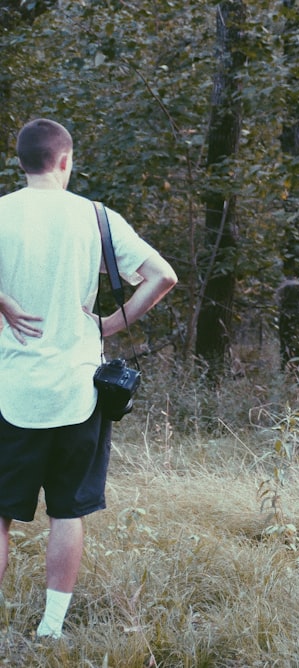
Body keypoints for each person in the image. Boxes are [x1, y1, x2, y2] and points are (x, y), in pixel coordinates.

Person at [0, 118, 177, 640]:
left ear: (22, 162)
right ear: (64, 161)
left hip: (9, 388)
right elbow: (162, 276)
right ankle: (51, 627)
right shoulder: (96, 218)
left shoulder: (1, 213)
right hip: (78, 390)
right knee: (67, 511)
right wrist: (110, 323)